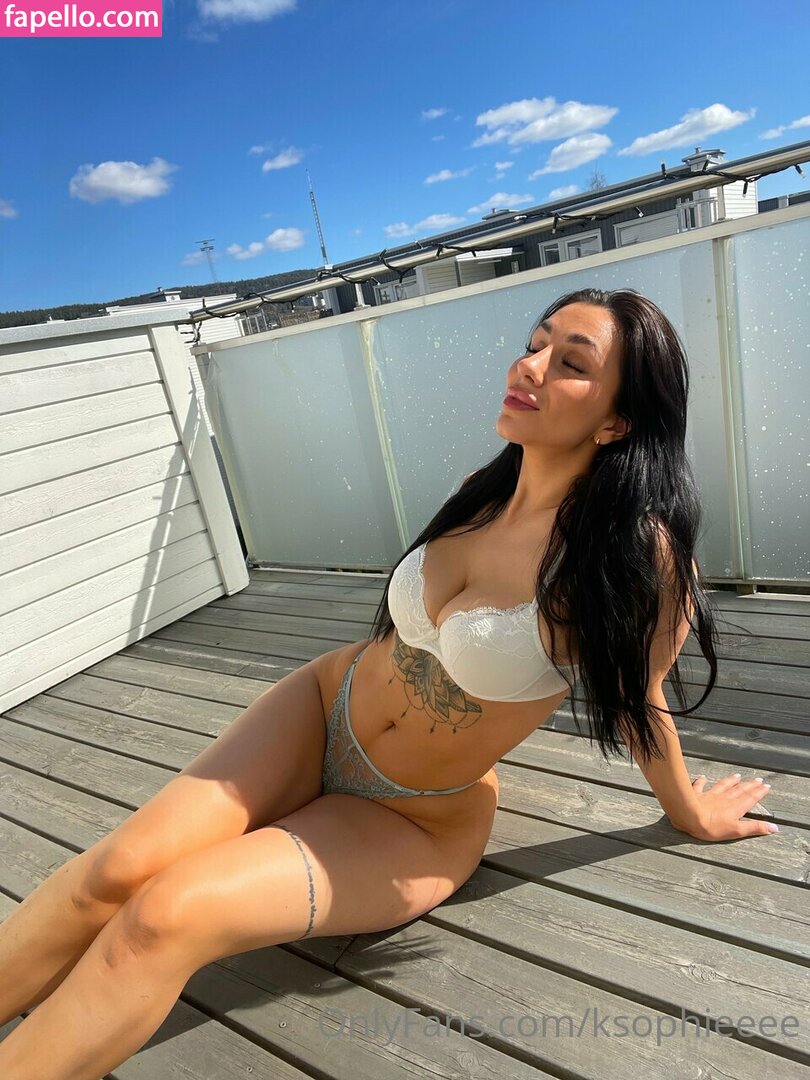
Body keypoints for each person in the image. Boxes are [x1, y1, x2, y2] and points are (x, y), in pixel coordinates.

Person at [0, 286, 777, 1079]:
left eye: (571, 363)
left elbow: (642, 695)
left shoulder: (634, 555)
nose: (530, 366)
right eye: (536, 343)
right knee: (112, 875)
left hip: (414, 815)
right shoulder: (483, 489)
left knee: (164, 917)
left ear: (617, 421)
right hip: (320, 708)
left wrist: (689, 812)